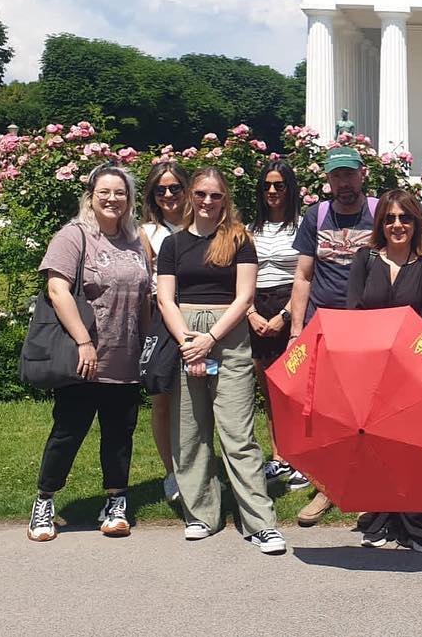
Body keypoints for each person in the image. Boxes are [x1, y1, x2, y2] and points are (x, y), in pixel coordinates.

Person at [156, 167, 284, 554]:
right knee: (190, 432)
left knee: (237, 432)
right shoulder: (173, 245)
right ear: (190, 197)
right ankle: (202, 514)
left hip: (228, 335)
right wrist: (187, 341)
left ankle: (259, 521)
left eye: (215, 195)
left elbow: (245, 296)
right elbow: (166, 298)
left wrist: (210, 338)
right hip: (185, 333)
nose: (207, 202)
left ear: (224, 198)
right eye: (200, 194)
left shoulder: (239, 239)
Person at [27, 165, 150, 542]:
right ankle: (45, 500)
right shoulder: (74, 235)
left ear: (129, 199)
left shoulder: (137, 240)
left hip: (125, 356)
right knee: (68, 431)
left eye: (121, 192)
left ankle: (115, 502)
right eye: (105, 193)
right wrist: (84, 341)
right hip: (85, 356)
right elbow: (57, 291)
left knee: (119, 435)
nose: (113, 199)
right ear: (90, 197)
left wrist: (146, 345)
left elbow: (146, 296)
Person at [345, 189, 422, 553]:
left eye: (404, 218)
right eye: (390, 218)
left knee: (408, 450)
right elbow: (353, 313)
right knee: (372, 448)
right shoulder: (365, 259)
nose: (397, 225)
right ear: (380, 224)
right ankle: (378, 518)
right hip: (368, 370)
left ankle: (415, 526)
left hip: (409, 372)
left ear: (415, 222)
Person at [288, 146, 376, 526]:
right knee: (327, 413)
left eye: (349, 174)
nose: (344, 183)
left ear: (362, 174)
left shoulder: (379, 210)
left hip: (369, 328)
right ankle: (329, 487)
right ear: (328, 179)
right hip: (323, 327)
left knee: (368, 412)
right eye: (336, 176)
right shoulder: (316, 215)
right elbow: (303, 275)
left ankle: (368, 488)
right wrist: (296, 333)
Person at [247, 162, 307, 492]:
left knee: (294, 389)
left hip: (289, 305)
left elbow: (304, 276)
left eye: (280, 185)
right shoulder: (248, 229)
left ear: (290, 188)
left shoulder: (301, 226)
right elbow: (239, 276)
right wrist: (251, 314)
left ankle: (300, 458)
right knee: (269, 389)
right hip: (256, 308)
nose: (272, 191)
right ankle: (279, 455)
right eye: (267, 186)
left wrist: (285, 315)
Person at [138, 162, 189, 503]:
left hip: (198, 313)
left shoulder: (202, 224)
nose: (168, 195)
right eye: (160, 190)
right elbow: (144, 287)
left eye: (174, 188)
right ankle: (171, 472)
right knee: (162, 399)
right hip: (160, 315)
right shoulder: (146, 232)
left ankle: (197, 469)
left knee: (196, 401)